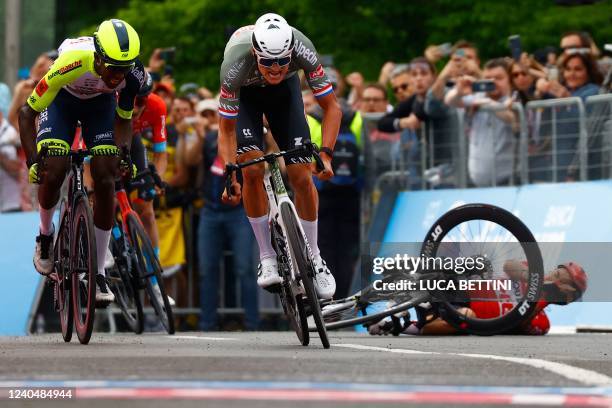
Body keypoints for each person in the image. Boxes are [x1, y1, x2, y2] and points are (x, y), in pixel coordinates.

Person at [18, 19, 145, 305]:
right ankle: (45, 236)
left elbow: (124, 120)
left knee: (105, 175)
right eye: (112, 67)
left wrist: (123, 153)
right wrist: (33, 161)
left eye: (122, 69)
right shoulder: (71, 62)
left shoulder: (133, 74)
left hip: (100, 106)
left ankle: (98, 271)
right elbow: (26, 113)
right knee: (55, 168)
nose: (117, 76)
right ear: (98, 57)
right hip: (61, 101)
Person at [217, 13, 342, 298]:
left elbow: (332, 108)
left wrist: (326, 154)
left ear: (291, 53)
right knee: (250, 170)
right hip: (247, 98)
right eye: (267, 62)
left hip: (285, 96)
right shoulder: (234, 65)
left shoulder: (303, 49)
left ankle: (315, 257)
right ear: (254, 52)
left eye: (282, 61)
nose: (275, 68)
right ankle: (267, 257)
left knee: (301, 175)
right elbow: (225, 130)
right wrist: (229, 171)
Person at [184, 98, 259, 330]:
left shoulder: (245, 137)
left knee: (245, 269)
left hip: (238, 212)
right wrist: (199, 134)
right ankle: (207, 323)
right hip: (210, 210)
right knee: (207, 269)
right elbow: (190, 160)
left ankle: (253, 323)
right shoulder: (208, 137)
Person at [370, 261, 587, 336]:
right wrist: (536, 280)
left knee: (467, 316)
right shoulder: (533, 270)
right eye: (556, 273)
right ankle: (409, 275)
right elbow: (509, 266)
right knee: (480, 262)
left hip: (463, 313)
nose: (552, 277)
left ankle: (399, 325)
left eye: (560, 280)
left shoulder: (542, 322)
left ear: (567, 298)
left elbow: (522, 321)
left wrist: (545, 295)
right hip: (464, 287)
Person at [445, 58, 517, 187]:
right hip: (477, 183)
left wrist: (488, 104)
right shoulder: (478, 98)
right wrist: (459, 91)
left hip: (507, 183)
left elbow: (510, 118)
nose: (493, 82)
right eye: (488, 78)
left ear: (509, 80)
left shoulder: (514, 100)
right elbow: (449, 100)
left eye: (499, 78)